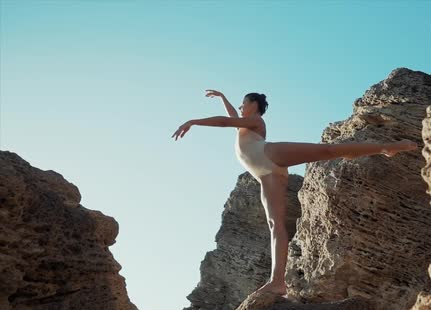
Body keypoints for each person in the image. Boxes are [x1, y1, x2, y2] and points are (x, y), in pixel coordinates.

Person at [171, 90, 417, 297]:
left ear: (253, 105)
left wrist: (193, 121)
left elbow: (226, 121)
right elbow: (231, 117)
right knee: (275, 225)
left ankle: (387, 147)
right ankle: (278, 282)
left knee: (328, 151)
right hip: (266, 174)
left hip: (270, 154)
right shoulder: (243, 126)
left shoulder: (256, 122)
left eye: (242, 103)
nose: (239, 107)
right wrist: (222, 97)